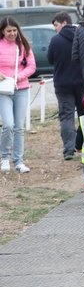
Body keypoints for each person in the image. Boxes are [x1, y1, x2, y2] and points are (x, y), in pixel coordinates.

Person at [0, 17, 37, 173]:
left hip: (21, 88)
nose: (12, 33)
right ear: (2, 31)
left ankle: (19, 161)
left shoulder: (23, 45)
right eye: (9, 31)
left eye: (14, 30)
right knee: (8, 124)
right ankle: (4, 158)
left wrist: (17, 77)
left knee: (19, 127)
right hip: (3, 90)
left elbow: (32, 66)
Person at [49, 12, 84, 160]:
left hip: (63, 84)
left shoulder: (56, 40)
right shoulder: (82, 36)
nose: (55, 29)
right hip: (82, 82)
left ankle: (69, 150)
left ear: (64, 23)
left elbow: (50, 59)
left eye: (56, 25)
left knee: (66, 117)